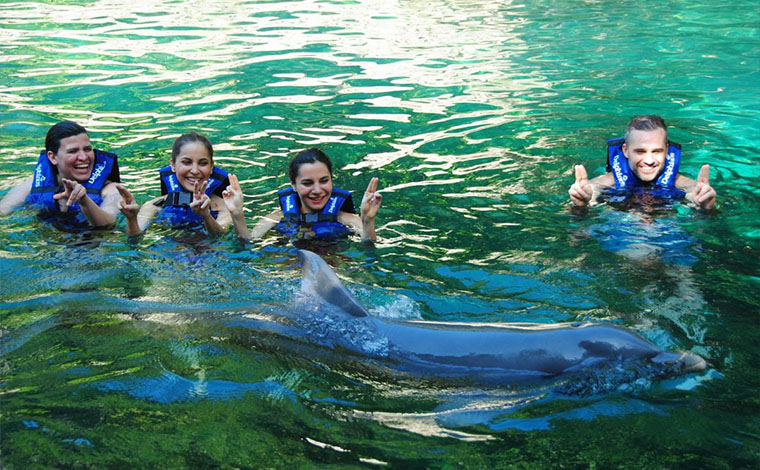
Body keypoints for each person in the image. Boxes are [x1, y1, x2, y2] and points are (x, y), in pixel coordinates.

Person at [223, 148, 382, 242]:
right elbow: (248, 245)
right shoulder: (274, 219)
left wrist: (368, 221)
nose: (318, 190)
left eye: (324, 181)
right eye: (307, 183)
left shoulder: (348, 220)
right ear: (293, 185)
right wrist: (237, 215)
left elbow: (369, 246)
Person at [569, 115, 717, 210]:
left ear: (666, 150)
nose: (649, 161)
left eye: (656, 151)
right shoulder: (607, 181)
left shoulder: (684, 184)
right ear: (625, 150)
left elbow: (694, 192)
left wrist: (705, 206)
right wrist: (582, 203)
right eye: (640, 151)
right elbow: (592, 190)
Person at [0, 120, 124, 230]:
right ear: (52, 157)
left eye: (87, 149)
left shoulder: (110, 189)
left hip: (91, 245)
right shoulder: (34, 184)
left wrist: (84, 200)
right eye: (73, 151)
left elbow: (109, 223)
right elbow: (3, 212)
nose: (83, 157)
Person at [118, 132, 233, 235]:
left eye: (202, 163)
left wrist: (206, 216)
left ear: (211, 167)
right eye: (186, 162)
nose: (194, 170)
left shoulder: (223, 206)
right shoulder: (157, 205)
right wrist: (132, 219)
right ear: (173, 165)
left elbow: (221, 236)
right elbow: (135, 236)